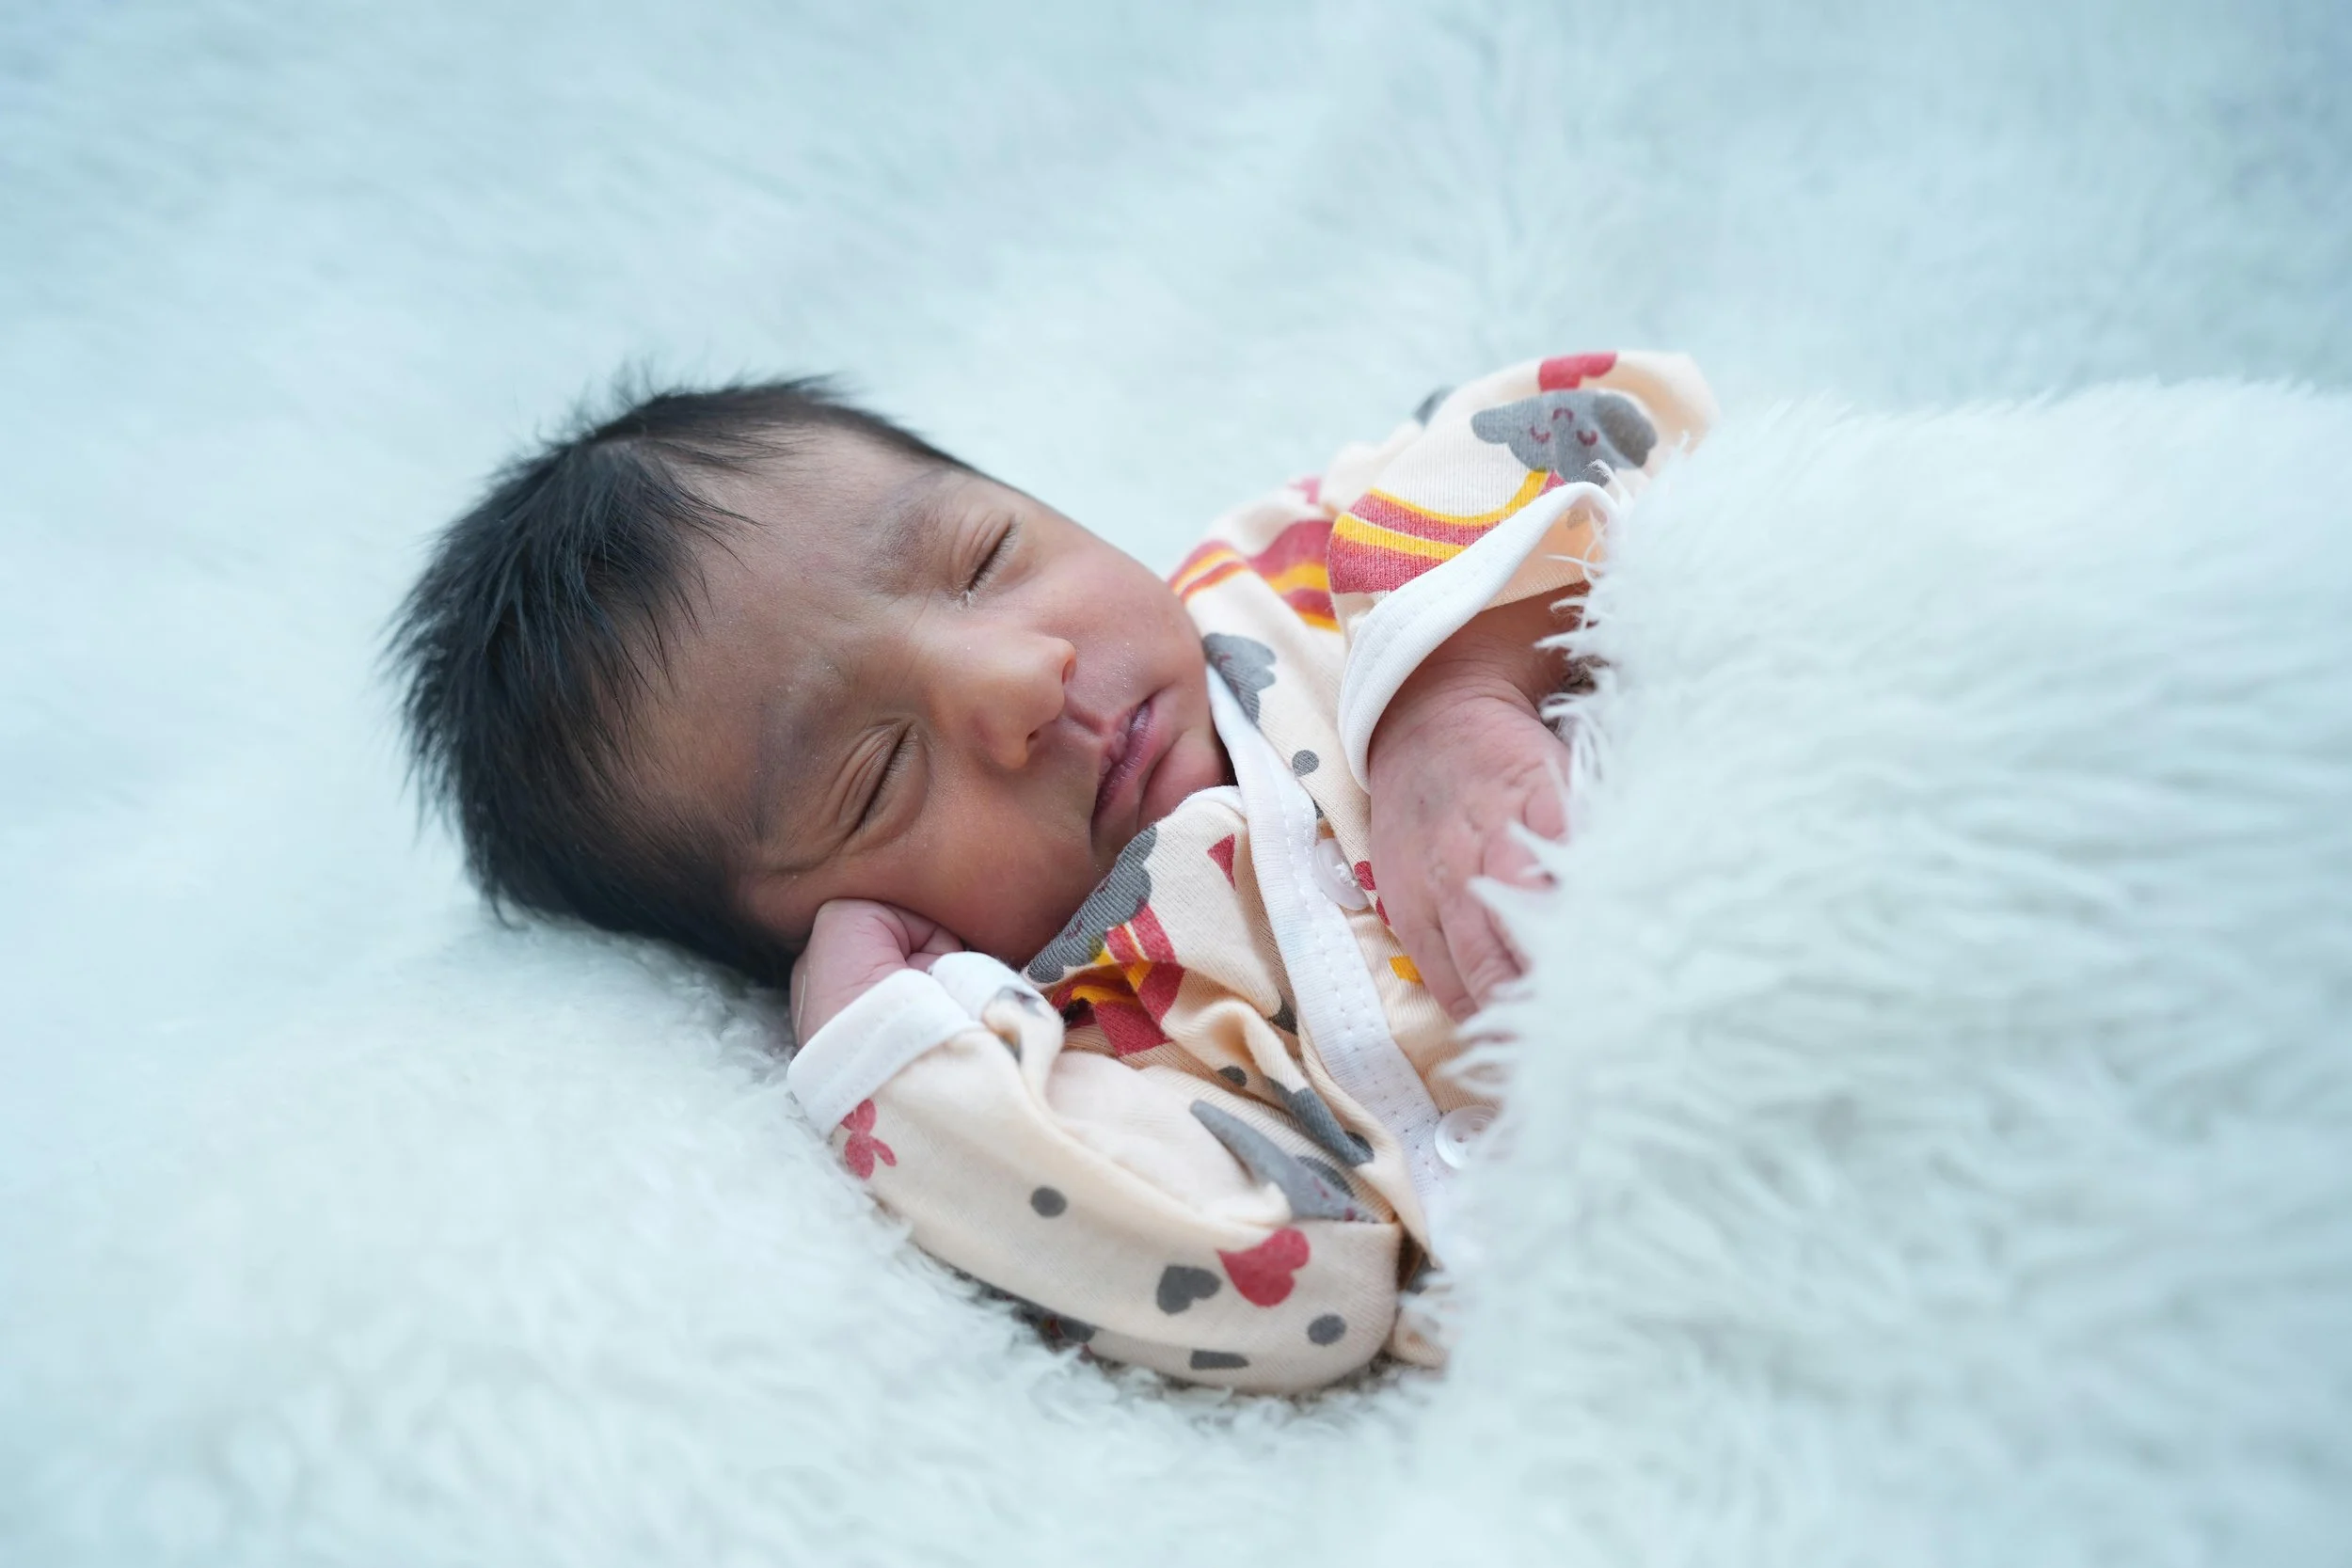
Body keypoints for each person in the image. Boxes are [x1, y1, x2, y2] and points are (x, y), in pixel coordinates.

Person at [392, 350, 1714, 1391]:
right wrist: (895, 1062)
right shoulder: (1101, 1052)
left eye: (981, 558)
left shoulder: (1310, 578)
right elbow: (1305, 1288)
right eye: (875, 776)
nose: (1018, 679)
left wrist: (1447, 686)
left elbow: (1611, 410)